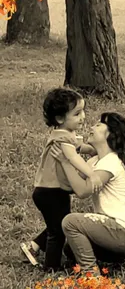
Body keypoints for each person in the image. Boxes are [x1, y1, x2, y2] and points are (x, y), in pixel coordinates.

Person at [51, 112, 125, 275]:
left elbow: (82, 191)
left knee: (71, 222)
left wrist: (65, 161)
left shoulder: (111, 162)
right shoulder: (95, 161)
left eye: (98, 125)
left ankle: (91, 274)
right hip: (116, 232)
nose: (91, 127)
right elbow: (70, 186)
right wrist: (70, 151)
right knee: (71, 248)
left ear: (111, 134)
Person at [20, 87, 100, 272]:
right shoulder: (62, 139)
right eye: (77, 113)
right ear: (60, 119)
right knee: (58, 231)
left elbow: (81, 147)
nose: (83, 117)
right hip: (51, 192)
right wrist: (91, 173)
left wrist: (94, 150)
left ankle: (33, 246)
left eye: (83, 111)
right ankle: (52, 267)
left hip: (53, 191)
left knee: (59, 224)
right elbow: (74, 158)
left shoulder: (65, 134)